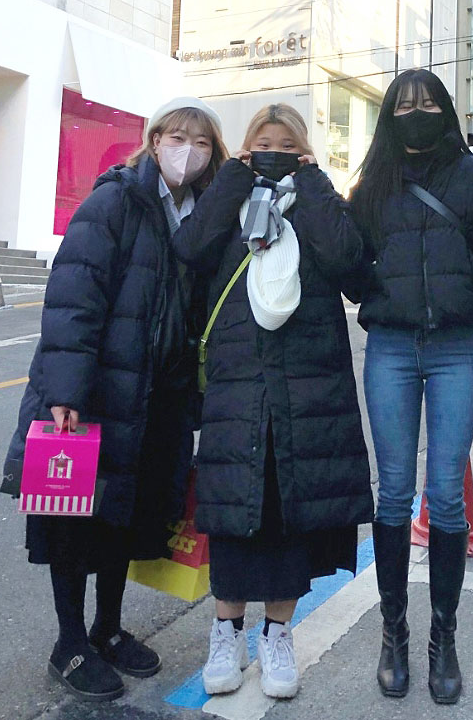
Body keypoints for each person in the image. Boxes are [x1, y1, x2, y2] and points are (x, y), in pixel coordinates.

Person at [2, 98, 228, 702]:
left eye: (201, 142)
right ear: (154, 140)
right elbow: (75, 298)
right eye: (178, 136)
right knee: (73, 519)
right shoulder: (116, 200)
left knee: (125, 519)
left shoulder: (205, 215)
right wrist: (65, 391)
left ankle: (107, 628)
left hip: (158, 400)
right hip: (96, 393)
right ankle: (69, 642)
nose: (188, 150)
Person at [173, 104, 373, 701]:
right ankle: (226, 631)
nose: (274, 151)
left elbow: (350, 263)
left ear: (305, 150)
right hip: (239, 380)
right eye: (264, 143)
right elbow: (190, 248)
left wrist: (310, 182)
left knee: (291, 509)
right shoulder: (227, 199)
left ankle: (278, 634)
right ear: (244, 147)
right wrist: (236, 176)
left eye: (287, 145)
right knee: (235, 505)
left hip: (308, 382)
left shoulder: (318, 199)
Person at [347, 68, 473, 706]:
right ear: (389, 117)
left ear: (447, 111)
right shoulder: (373, 184)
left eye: (429, 104)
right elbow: (351, 271)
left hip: (458, 348)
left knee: (447, 501)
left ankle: (443, 638)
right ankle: (394, 633)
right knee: (393, 492)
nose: (418, 114)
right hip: (393, 348)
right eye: (405, 106)